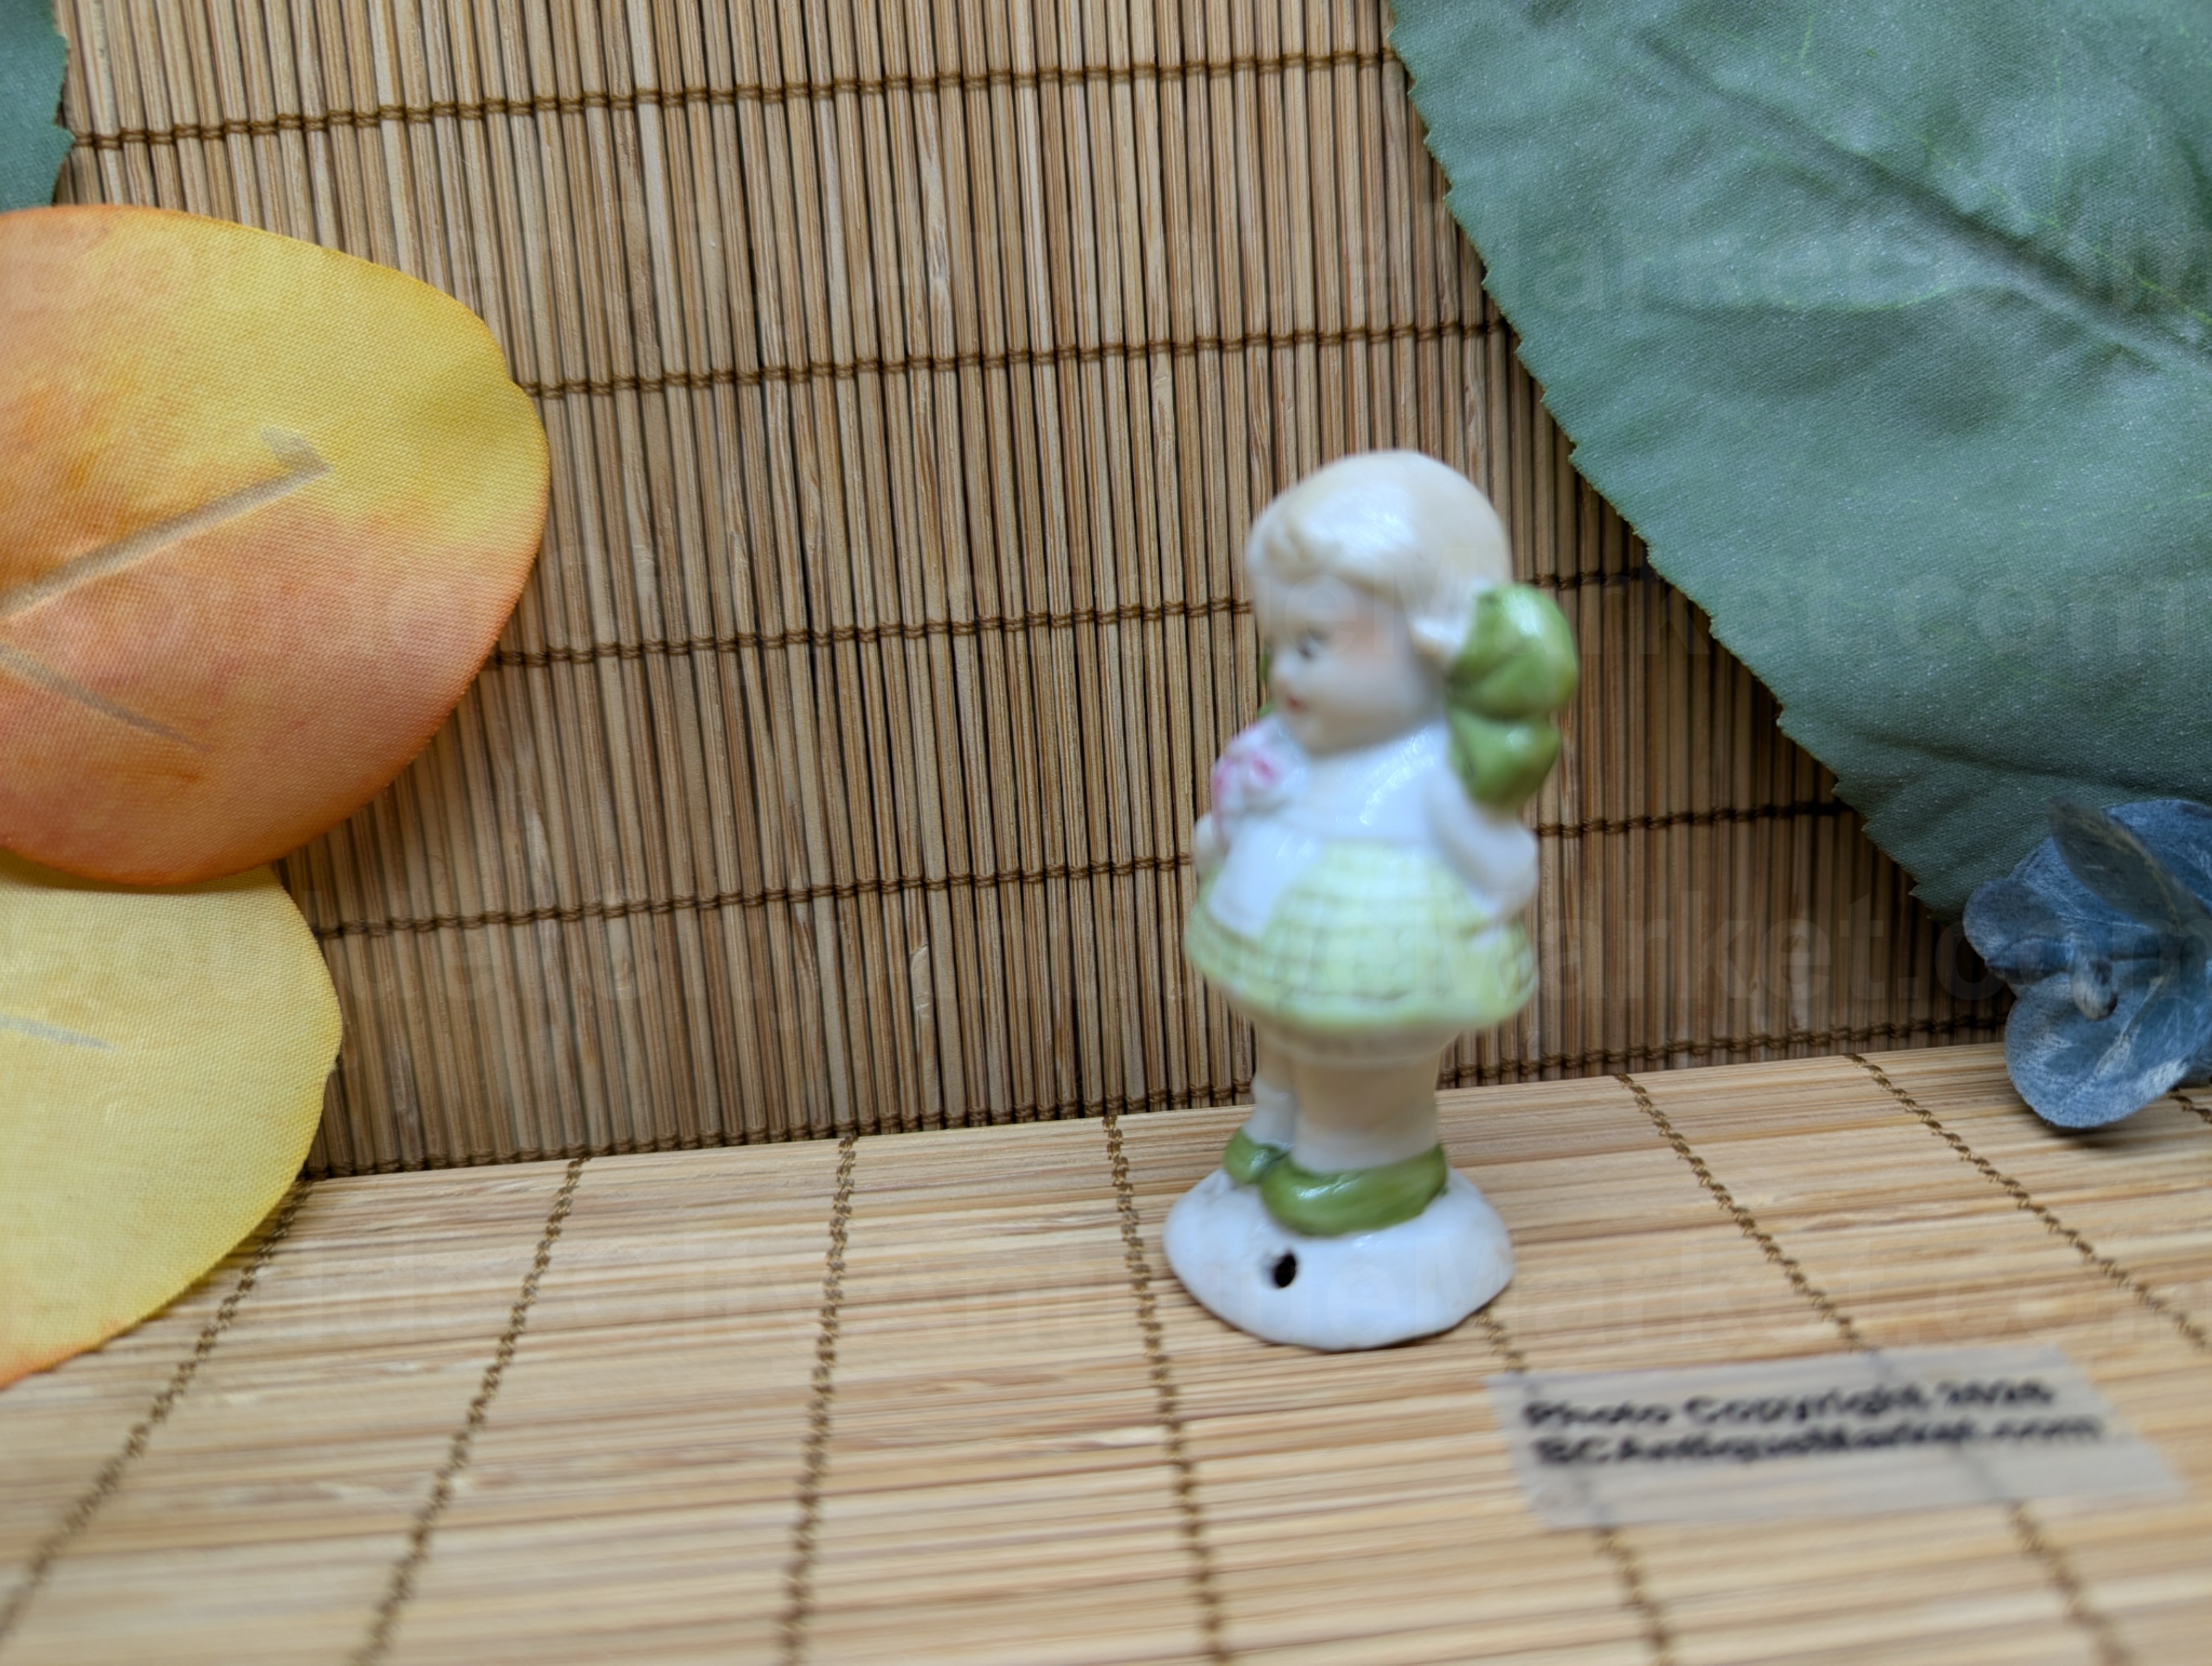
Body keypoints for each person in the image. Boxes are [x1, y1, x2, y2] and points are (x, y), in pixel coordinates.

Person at [1184, 450, 1576, 1236]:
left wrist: (1481, 912)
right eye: (1278, 643)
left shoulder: (1432, 774)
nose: (1285, 671)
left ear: (1432, 639)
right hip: (1277, 940)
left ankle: (1373, 1159)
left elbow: (1506, 865)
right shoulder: (1288, 753)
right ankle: (1278, 1121)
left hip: (1384, 964)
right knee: (1286, 1040)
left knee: (1360, 1067)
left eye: (1314, 643)